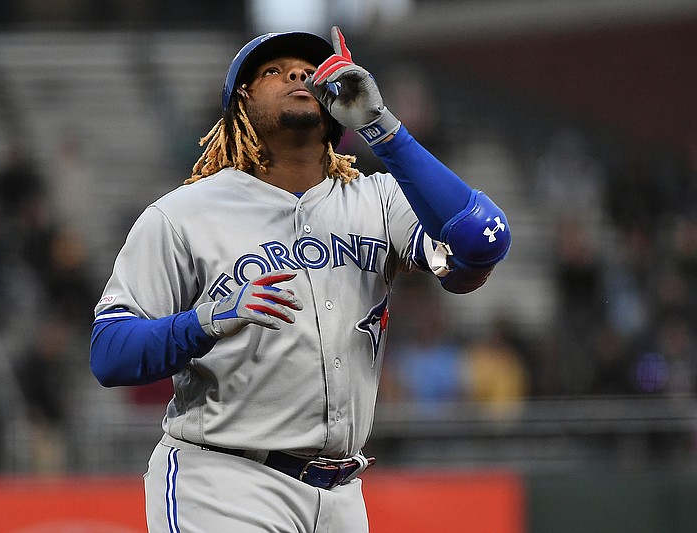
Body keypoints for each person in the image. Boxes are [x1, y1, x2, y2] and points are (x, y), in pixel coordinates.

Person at [90, 27, 510, 533]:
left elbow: (481, 244)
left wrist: (382, 127)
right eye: (273, 71)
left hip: (341, 495)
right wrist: (204, 321)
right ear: (240, 103)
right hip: (224, 480)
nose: (297, 74)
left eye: (310, 71)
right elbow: (109, 352)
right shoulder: (183, 214)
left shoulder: (377, 199)